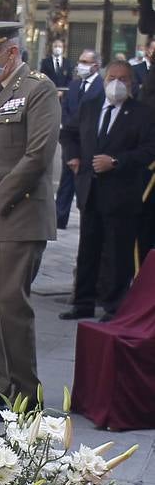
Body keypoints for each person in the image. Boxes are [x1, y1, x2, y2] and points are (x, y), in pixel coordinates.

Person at [0, 23, 60, 413]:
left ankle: (27, 393)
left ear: (11, 52)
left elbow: (37, 156)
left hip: (19, 214)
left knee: (9, 303)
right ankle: (4, 384)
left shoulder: (39, 90)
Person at [59, 61, 155, 321]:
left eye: (123, 79)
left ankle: (113, 306)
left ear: (132, 83)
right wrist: (73, 157)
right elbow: (68, 133)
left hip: (122, 194)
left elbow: (149, 150)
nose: (117, 83)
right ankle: (83, 303)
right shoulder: (90, 108)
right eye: (112, 77)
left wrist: (116, 162)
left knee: (117, 252)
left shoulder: (142, 113)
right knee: (88, 250)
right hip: (90, 191)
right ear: (104, 80)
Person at [55, 48, 102, 229]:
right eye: (80, 61)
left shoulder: (102, 87)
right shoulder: (74, 85)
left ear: (95, 66)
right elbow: (65, 109)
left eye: (85, 62)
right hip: (71, 142)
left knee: (85, 186)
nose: (80, 65)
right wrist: (69, 129)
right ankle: (60, 218)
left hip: (89, 144)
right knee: (66, 183)